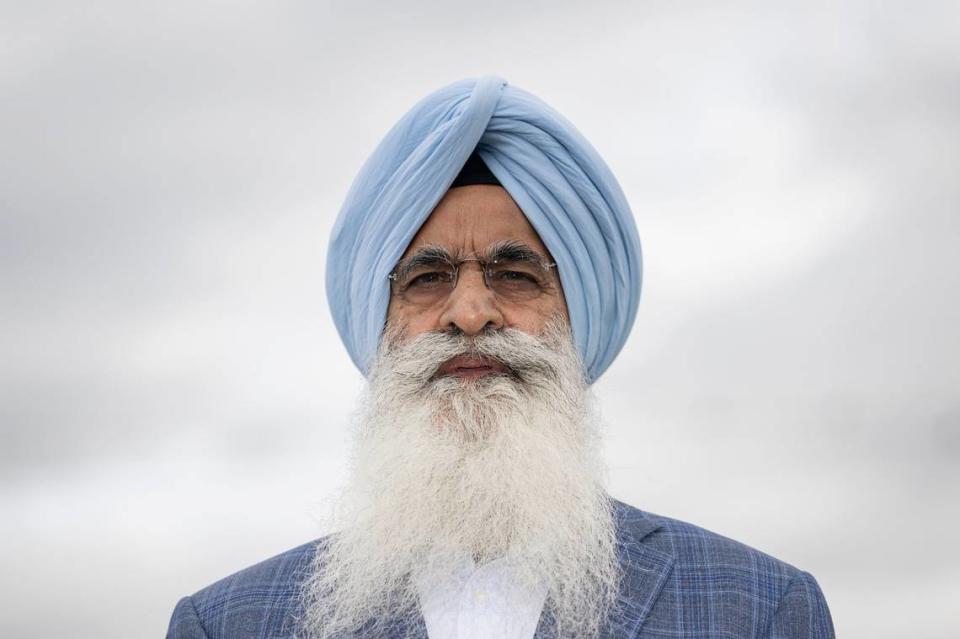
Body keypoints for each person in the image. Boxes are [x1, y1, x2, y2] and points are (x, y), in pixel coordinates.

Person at [166, 77, 834, 639]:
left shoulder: (757, 608)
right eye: (427, 279)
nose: (470, 313)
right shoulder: (231, 623)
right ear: (379, 324)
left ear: (578, 316)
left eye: (515, 274)